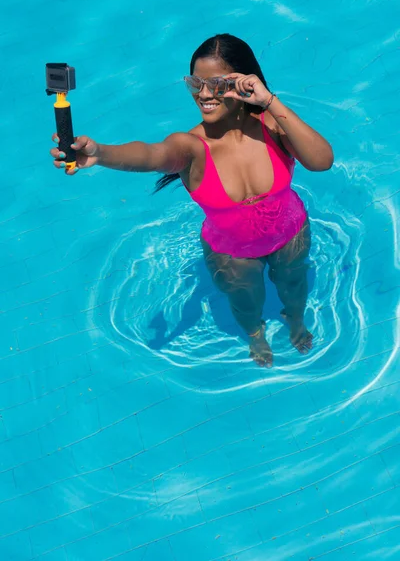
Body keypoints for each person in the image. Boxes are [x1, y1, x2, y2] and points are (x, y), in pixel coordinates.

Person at [50, 34, 333, 368]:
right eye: (196, 83)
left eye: (217, 83)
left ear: (245, 82)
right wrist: (101, 153)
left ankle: (296, 321)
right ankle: (256, 337)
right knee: (246, 306)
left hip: (291, 234)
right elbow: (152, 154)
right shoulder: (191, 148)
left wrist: (270, 101)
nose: (204, 94)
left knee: (295, 286)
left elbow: (321, 161)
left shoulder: (272, 124)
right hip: (232, 252)